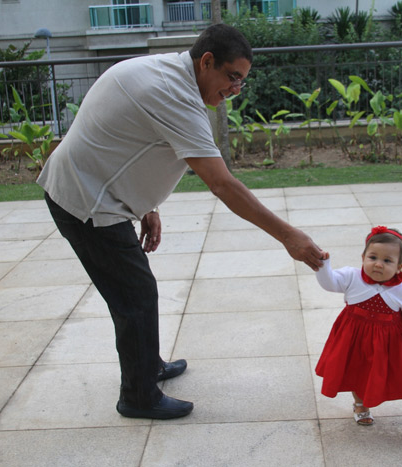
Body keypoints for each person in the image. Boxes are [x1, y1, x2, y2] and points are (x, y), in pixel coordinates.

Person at [37, 24, 325, 421]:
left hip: (94, 190)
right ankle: (139, 396)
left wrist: (147, 205)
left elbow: (128, 140)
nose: (236, 89)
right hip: (85, 202)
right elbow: (222, 183)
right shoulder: (175, 95)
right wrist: (289, 236)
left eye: (242, 80)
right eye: (232, 77)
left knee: (136, 289)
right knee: (135, 294)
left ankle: (148, 365)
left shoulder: (164, 71)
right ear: (206, 61)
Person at [314, 226, 402, 435]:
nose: (378, 264)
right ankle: (361, 405)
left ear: (399, 266)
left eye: (387, 261)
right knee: (357, 370)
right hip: (355, 336)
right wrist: (323, 265)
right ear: (363, 257)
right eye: (373, 257)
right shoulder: (351, 276)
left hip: (394, 340)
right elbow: (329, 283)